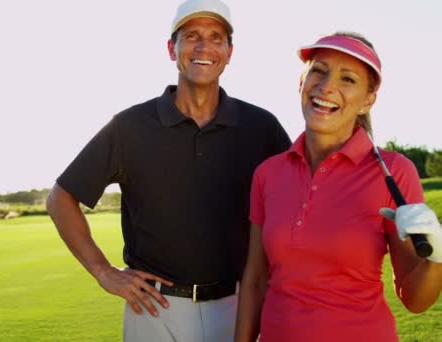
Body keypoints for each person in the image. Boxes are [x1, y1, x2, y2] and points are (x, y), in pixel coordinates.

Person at [45, 0, 291, 340]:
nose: (204, 46)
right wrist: (103, 271)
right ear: (171, 48)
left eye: (216, 37)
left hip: (237, 308)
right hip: (154, 310)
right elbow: (60, 197)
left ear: (230, 51)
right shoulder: (129, 126)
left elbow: (303, 196)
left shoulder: (262, 127)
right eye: (191, 36)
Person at [235, 31, 442, 342]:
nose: (327, 86)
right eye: (318, 70)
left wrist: (436, 258)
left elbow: (416, 300)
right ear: (301, 83)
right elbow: (255, 280)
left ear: (367, 101)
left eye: (348, 79)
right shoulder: (268, 173)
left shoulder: (395, 172)